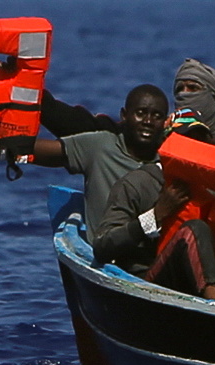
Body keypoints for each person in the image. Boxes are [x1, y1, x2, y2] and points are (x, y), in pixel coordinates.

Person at [26, 84, 172, 268]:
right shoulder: (101, 146)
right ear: (124, 116)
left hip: (153, 262)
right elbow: (44, 151)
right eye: (141, 113)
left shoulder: (170, 161)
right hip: (107, 254)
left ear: (165, 123)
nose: (148, 121)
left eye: (157, 116)